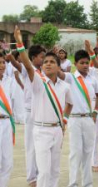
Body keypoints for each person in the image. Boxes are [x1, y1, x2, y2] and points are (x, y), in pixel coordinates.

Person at [14, 26, 73, 187]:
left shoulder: (64, 86)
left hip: (57, 130)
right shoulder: (39, 82)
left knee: (54, 171)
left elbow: (70, 103)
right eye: (45, 61)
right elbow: (27, 66)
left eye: (52, 62)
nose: (48, 64)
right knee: (44, 172)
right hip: (40, 131)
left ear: (59, 67)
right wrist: (20, 44)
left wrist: (65, 121)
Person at [58, 41, 98, 187]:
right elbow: (58, 73)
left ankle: (87, 183)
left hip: (89, 119)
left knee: (88, 152)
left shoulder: (92, 79)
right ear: (75, 63)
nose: (85, 65)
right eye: (82, 63)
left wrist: (95, 112)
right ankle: (73, 183)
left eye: (87, 63)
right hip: (75, 119)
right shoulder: (70, 78)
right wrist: (55, 56)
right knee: (75, 153)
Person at [9, 44, 46, 186]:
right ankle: (32, 178)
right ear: (33, 58)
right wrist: (15, 50)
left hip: (42, 112)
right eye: (42, 57)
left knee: (42, 146)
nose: (44, 60)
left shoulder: (44, 72)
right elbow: (16, 64)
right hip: (31, 112)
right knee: (31, 146)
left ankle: (41, 174)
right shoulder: (27, 69)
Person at [0, 52, 14, 187]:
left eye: (3, 62)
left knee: (7, 162)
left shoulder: (9, 81)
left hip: (7, 123)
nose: (1, 65)